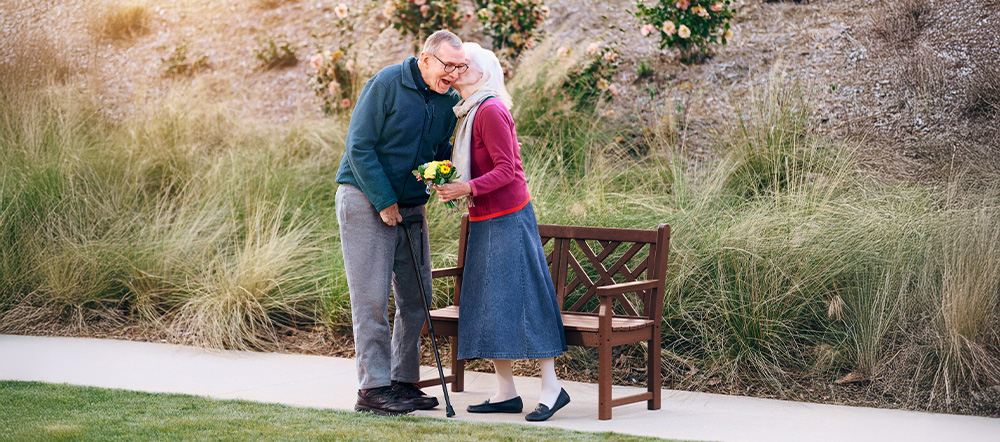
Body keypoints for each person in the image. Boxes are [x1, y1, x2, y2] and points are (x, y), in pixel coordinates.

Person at [434, 42, 570, 422]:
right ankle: (506, 392)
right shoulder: (466, 112)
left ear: (485, 74)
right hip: (485, 218)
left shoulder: (490, 109)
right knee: (489, 303)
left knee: (526, 300)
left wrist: (465, 187)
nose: (458, 70)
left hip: (509, 217)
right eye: (456, 65)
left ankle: (552, 388)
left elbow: (507, 170)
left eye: (466, 66)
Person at [335, 30, 467, 416]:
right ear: (425, 59)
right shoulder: (388, 82)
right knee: (372, 299)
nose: (454, 74)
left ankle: (402, 382)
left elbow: (439, 150)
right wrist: (384, 200)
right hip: (364, 199)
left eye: (460, 67)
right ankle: (372, 389)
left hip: (410, 206)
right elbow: (359, 145)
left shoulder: (449, 102)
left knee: (418, 297)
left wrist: (443, 173)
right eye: (448, 66)